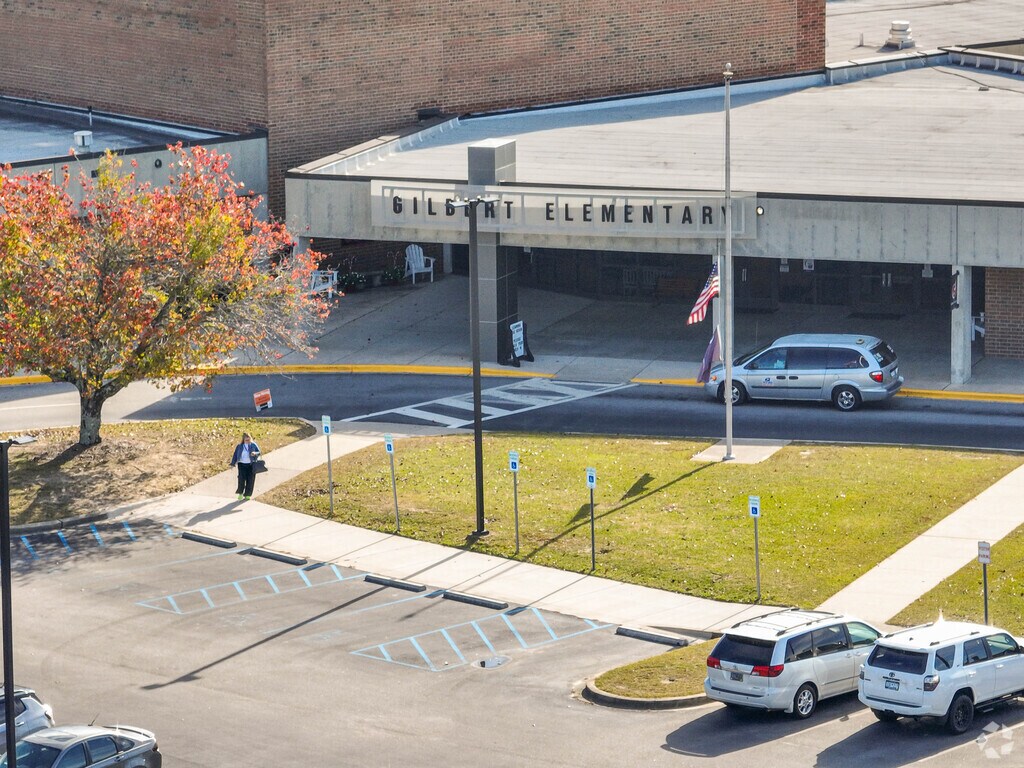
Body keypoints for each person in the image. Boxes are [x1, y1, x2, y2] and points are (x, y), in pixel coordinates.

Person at [229, 432, 261, 501]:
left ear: (250, 438)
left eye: (248, 438)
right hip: (241, 465)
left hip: (251, 465)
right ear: (243, 439)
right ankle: (240, 493)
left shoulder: (253, 445)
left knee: (250, 480)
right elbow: (235, 455)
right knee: (241, 479)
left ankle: (247, 495)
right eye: (246, 438)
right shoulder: (240, 446)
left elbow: (259, 452)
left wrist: (254, 453)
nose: (247, 440)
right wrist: (232, 463)